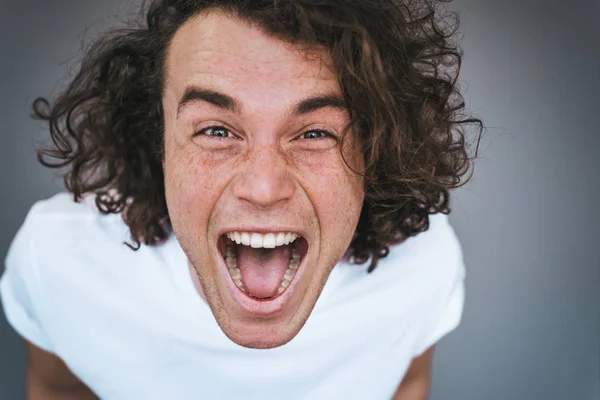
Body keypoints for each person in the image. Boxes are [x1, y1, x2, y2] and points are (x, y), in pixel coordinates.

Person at [0, 0, 482, 398]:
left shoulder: (421, 267)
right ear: (159, 142)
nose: (264, 188)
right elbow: (57, 387)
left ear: (377, 147)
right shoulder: (60, 259)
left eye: (315, 132)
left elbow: (407, 385)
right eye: (215, 130)